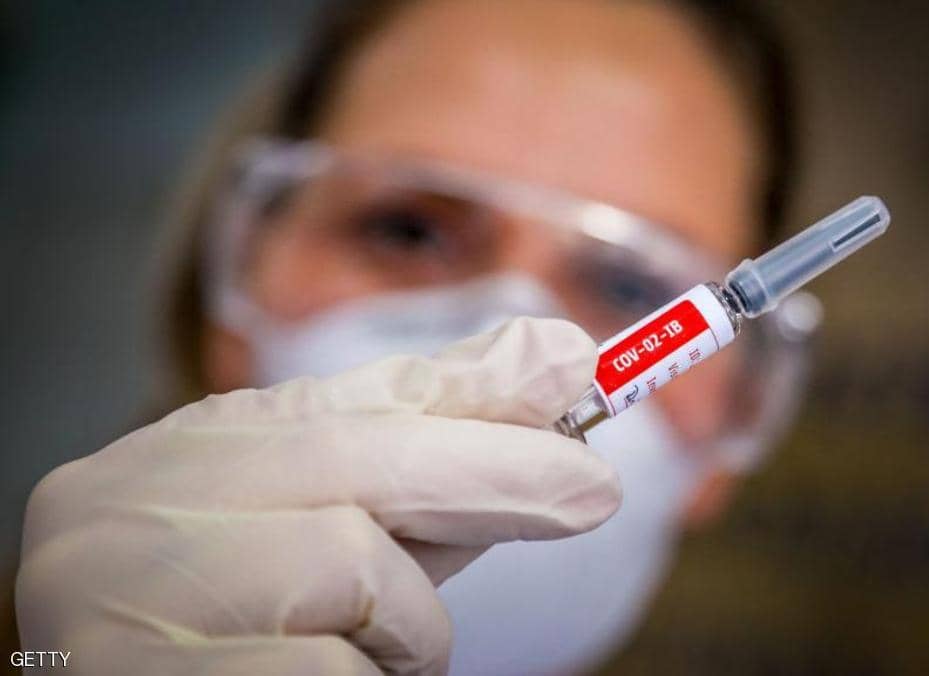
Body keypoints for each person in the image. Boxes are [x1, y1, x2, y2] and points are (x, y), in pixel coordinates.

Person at [16, 0, 816, 673]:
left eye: (630, 287)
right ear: (230, 286)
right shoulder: (56, 649)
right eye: (407, 230)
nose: (512, 331)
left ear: (739, 415)